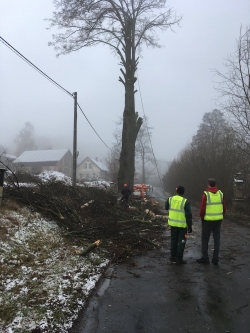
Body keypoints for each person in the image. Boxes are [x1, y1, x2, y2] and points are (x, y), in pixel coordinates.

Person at [196, 178, 226, 265]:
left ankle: (205, 258)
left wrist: (202, 217)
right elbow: (224, 207)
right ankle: (215, 258)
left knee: (205, 239)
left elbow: (202, 209)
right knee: (217, 239)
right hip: (218, 220)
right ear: (215, 184)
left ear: (208, 184)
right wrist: (221, 216)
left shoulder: (205, 194)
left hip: (207, 221)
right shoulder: (221, 194)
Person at [165, 186, 192, 264]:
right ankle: (179, 258)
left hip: (173, 224)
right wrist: (190, 225)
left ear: (176, 191)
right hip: (182, 226)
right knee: (182, 241)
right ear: (183, 192)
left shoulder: (170, 199)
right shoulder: (185, 201)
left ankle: (172, 256)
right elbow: (189, 214)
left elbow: (166, 207)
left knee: (173, 240)